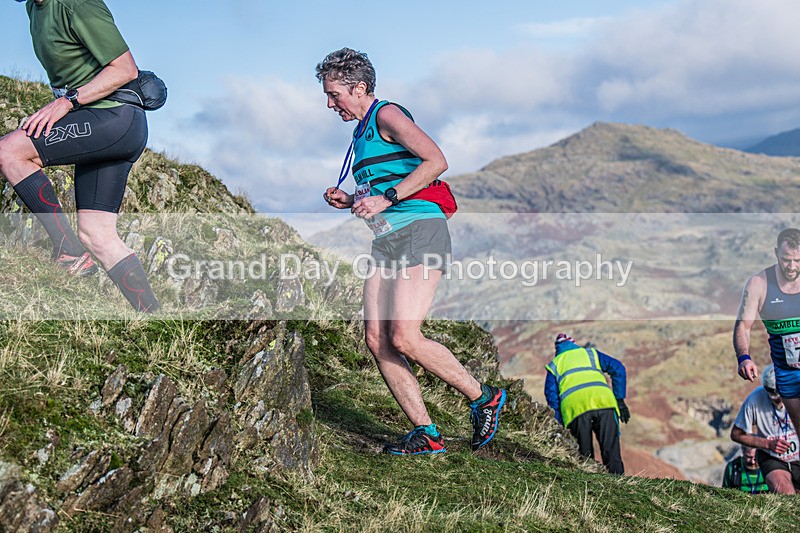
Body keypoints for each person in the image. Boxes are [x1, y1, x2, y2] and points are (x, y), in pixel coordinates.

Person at [316, 47, 506, 455]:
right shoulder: (360, 133)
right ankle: (427, 433)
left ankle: (483, 397)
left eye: (334, 94)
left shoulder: (386, 114)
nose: (330, 103)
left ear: (359, 87)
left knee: (404, 335)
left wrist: (385, 198)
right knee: (376, 338)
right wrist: (351, 200)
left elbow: (436, 160)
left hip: (421, 229)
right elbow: (387, 185)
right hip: (387, 239)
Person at [0, 0, 159, 312]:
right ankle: (153, 317)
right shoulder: (35, 7)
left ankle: (68, 252)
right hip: (102, 123)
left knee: (9, 150)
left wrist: (67, 102)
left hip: (114, 119)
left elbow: (126, 69)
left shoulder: (77, 3)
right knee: (97, 235)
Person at [734, 228, 800, 445]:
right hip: (787, 373)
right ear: (776, 254)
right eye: (786, 260)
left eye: (797, 260)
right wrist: (744, 357)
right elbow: (743, 325)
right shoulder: (759, 284)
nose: (792, 267)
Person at [545, 333, 629, 474]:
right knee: (611, 451)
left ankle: (589, 490)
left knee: (585, 457)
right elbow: (618, 368)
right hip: (604, 403)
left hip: (575, 410)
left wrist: (559, 423)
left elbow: (551, 396)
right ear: (574, 344)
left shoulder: (555, 365)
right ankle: (622, 487)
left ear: (557, 349)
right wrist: (619, 400)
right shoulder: (590, 354)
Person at [729, 364, 800, 494]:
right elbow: (736, 434)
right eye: (770, 392)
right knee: (786, 493)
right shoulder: (754, 399)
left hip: (797, 456)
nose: (776, 398)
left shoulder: (796, 393)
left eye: (779, 393)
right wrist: (767, 444)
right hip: (772, 457)